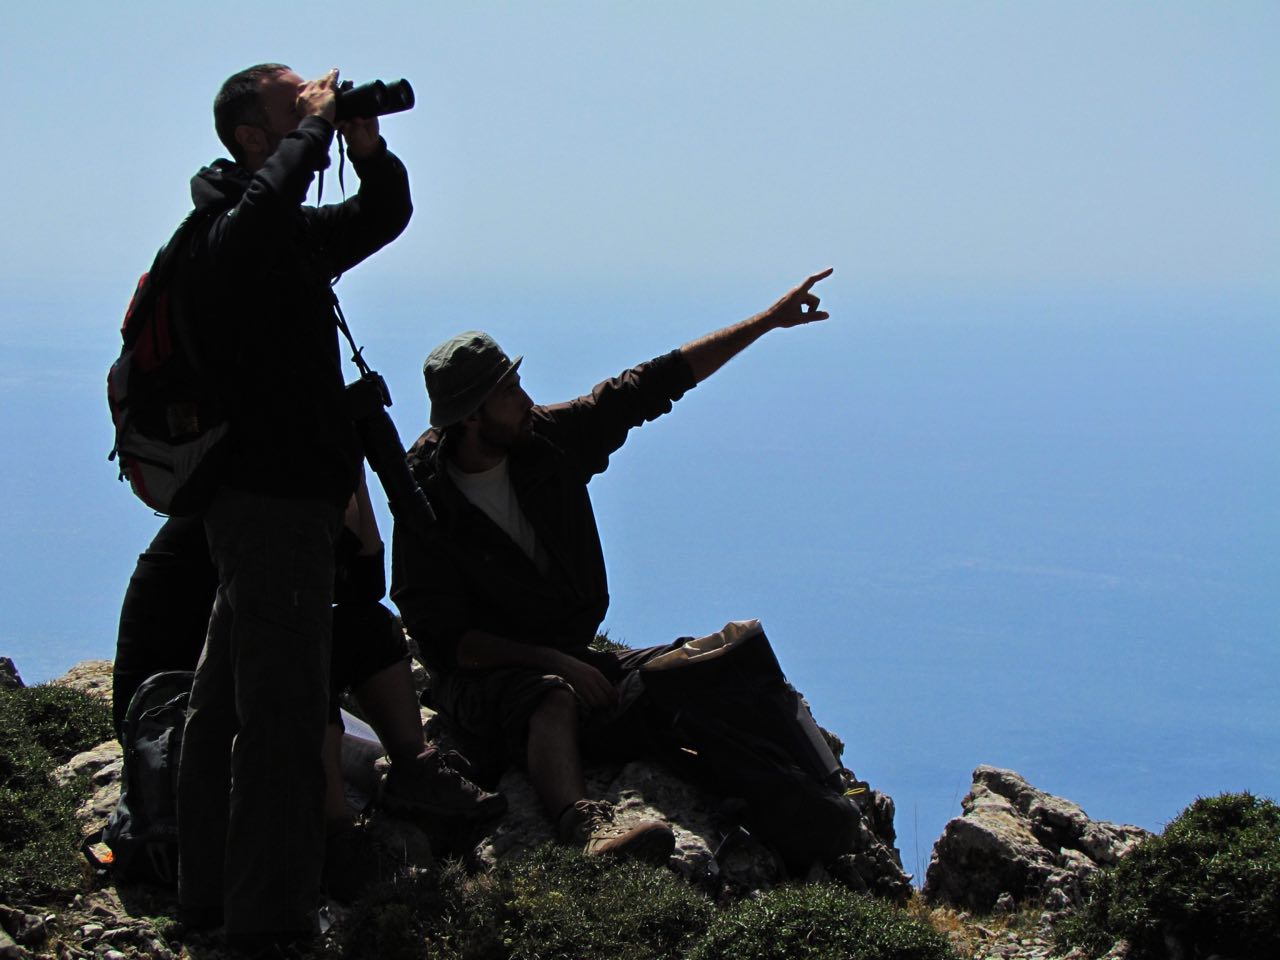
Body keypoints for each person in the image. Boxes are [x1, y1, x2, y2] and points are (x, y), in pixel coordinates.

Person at [390, 268, 833, 863]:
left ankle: (821, 800)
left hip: (576, 661)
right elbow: (444, 639)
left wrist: (766, 322)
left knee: (710, 662)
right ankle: (586, 828)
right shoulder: (426, 498)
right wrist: (554, 662)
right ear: (470, 416)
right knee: (550, 695)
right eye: (508, 393)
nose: (525, 402)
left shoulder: (546, 439)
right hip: (487, 686)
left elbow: (651, 384)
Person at [173, 63, 411, 947]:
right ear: (253, 138)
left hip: (280, 505)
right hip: (269, 505)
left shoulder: (277, 233)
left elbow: (382, 217)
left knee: (224, 703)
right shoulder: (225, 233)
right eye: (294, 104)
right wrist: (315, 133)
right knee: (280, 724)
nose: (315, 102)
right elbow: (259, 221)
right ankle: (268, 933)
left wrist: (365, 143)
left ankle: (207, 897)